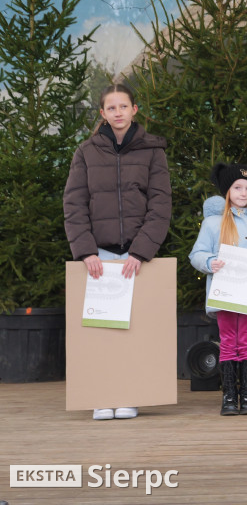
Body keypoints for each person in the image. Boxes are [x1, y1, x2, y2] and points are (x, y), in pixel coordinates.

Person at [63, 83, 172, 421]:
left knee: (134, 332)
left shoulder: (153, 151)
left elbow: (160, 204)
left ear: (134, 109)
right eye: (111, 108)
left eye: (124, 106)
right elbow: (74, 204)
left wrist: (141, 252)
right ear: (103, 114)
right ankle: (101, 395)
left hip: (138, 259)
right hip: (100, 256)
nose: (118, 113)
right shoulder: (85, 152)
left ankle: (129, 395)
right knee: (101, 332)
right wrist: (86, 252)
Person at [189, 164, 247, 416]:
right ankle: (229, 395)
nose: (243, 192)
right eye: (237, 187)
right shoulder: (213, 223)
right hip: (225, 293)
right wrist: (209, 262)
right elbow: (197, 253)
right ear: (227, 190)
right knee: (229, 342)